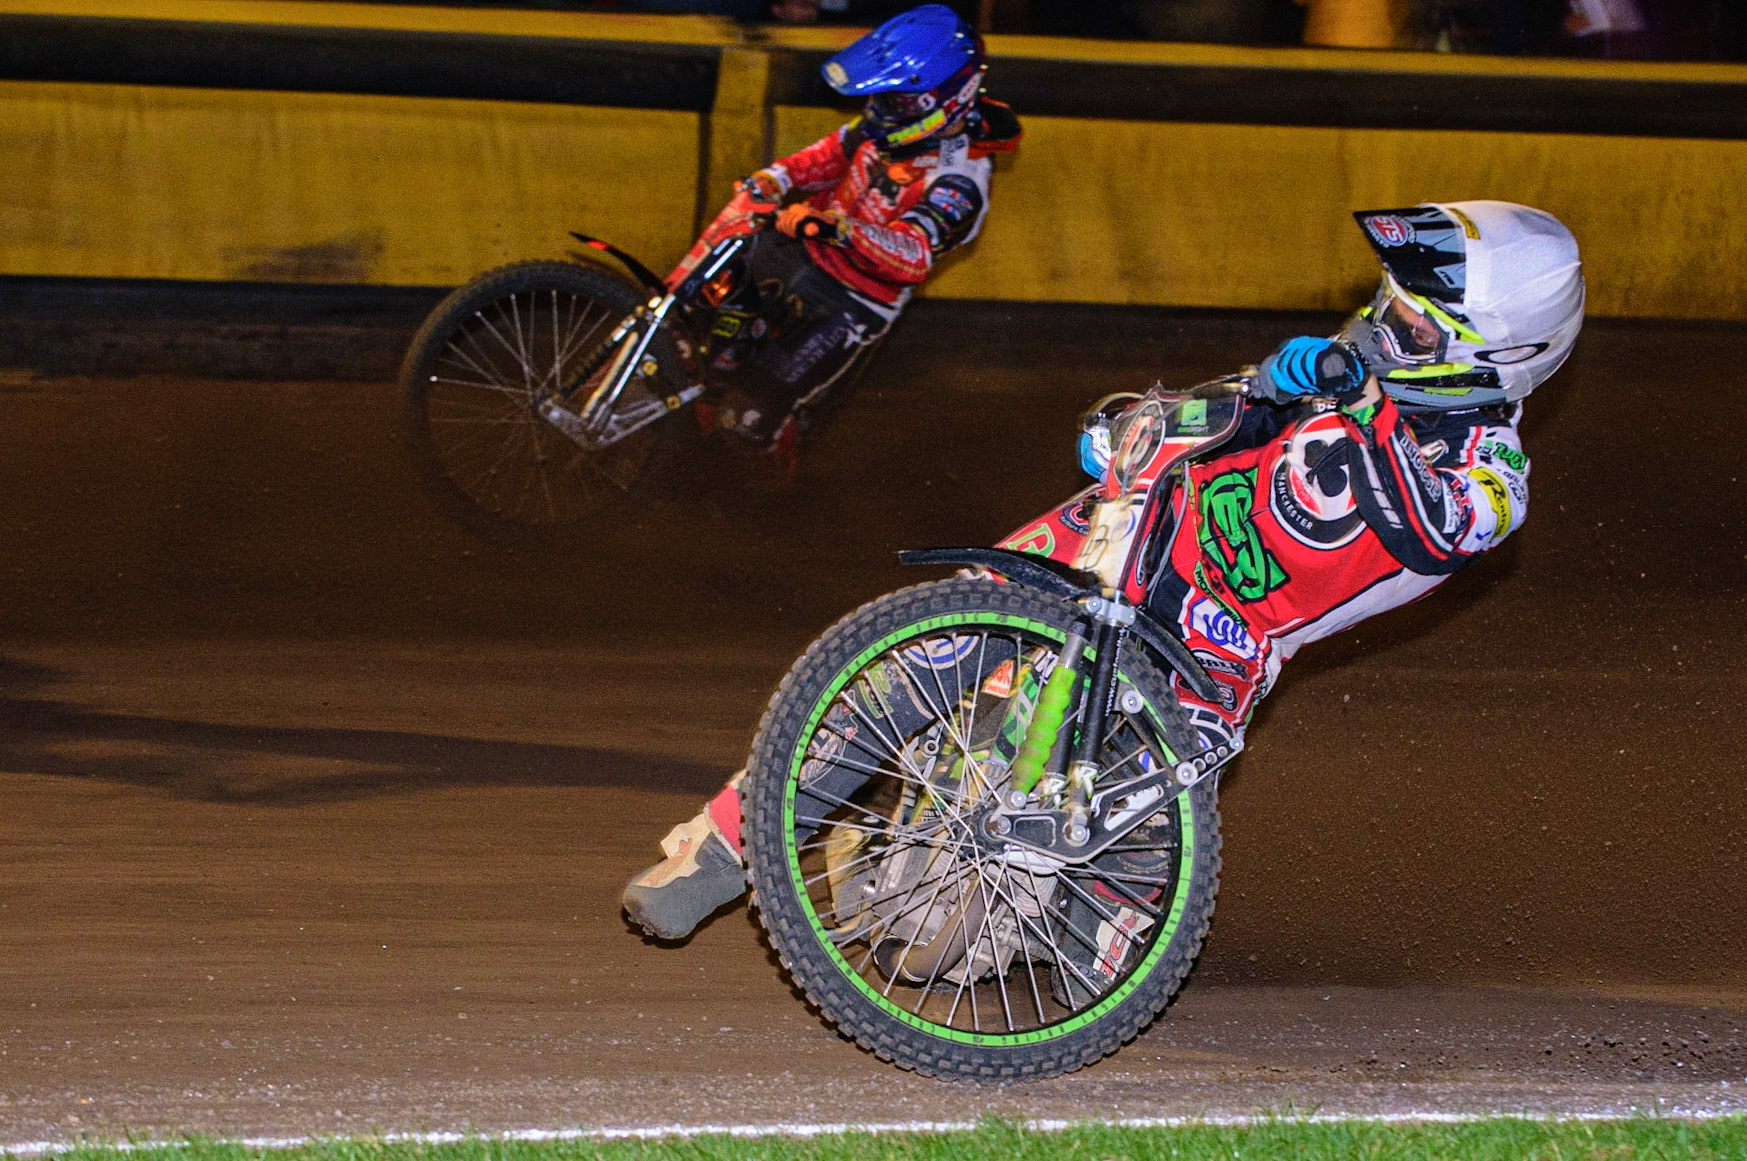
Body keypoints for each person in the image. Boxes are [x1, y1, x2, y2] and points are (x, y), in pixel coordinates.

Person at [622, 199, 1584, 943]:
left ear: (1498, 356)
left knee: (976, 932)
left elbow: (1430, 517)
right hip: (1124, 527)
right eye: (1384, 306)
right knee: (910, 655)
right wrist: (1209, 402)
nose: (1376, 331)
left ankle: (1039, 924)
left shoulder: (1488, 480)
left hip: (1212, 641)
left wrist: (1345, 403)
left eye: (1408, 327)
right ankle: (713, 848)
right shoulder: (1361, 363)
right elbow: (1224, 415)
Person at [668, 3, 1020, 453]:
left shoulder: (961, 179)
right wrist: (776, 179)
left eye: (896, 99)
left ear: (941, 99)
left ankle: (746, 499)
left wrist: (839, 230)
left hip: (852, 302)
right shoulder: (890, 124)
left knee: (743, 421)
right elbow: (832, 155)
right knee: (696, 314)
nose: (881, 109)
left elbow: (912, 256)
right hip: (800, 249)